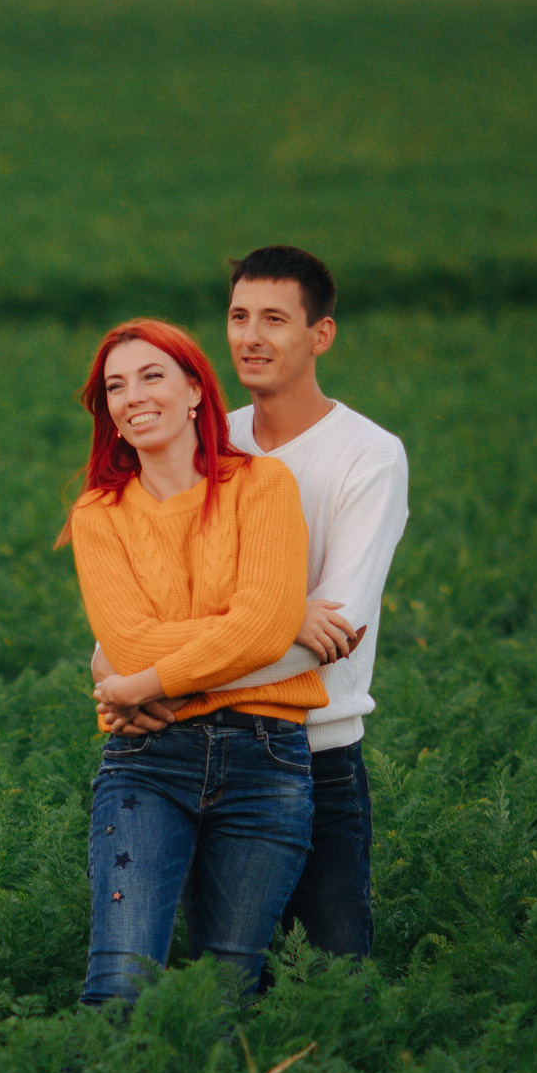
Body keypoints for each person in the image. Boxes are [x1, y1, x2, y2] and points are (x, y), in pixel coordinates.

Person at [97, 247, 408, 964]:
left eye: (275, 318)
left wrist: (157, 682)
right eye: (239, 316)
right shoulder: (205, 438)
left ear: (320, 334)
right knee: (219, 980)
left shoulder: (368, 455)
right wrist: (123, 666)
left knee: (331, 981)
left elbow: (332, 632)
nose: (250, 336)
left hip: (314, 752)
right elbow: (134, 615)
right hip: (184, 746)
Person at [63, 318, 325, 1007]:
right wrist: (245, 622)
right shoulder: (99, 514)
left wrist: (135, 685)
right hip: (150, 757)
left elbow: (264, 631)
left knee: (228, 990)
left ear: (193, 392)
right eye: (115, 387)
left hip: (266, 759)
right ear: (110, 414)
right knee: (120, 979)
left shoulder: (264, 486)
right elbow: (133, 639)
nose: (132, 396)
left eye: (152, 376)